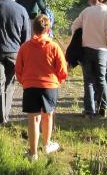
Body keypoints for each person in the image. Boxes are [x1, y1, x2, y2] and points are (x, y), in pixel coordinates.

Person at [16, 14, 68, 160]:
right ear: (48, 28)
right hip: (50, 86)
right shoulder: (54, 47)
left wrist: (24, 81)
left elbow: (18, 69)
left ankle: (33, 153)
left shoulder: (25, 47)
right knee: (48, 114)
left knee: (33, 118)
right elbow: (62, 69)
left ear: (33, 28)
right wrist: (58, 81)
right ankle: (46, 145)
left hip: (30, 85)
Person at [71, 0, 107, 118]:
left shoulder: (86, 11)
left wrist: (79, 39)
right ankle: (103, 108)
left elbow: (74, 26)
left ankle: (89, 110)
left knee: (89, 81)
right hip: (102, 50)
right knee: (101, 80)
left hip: (86, 49)